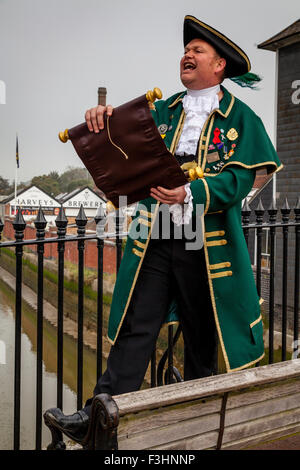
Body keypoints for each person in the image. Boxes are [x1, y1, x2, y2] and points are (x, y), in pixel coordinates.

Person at [44, 15, 282, 441]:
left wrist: (191, 192)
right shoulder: (163, 109)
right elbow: (124, 142)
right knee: (137, 326)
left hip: (206, 246)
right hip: (156, 236)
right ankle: (96, 423)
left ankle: (198, 425)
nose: (187, 54)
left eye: (198, 51)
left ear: (219, 65)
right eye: (186, 49)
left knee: (201, 337)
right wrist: (102, 115)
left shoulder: (240, 118)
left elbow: (241, 180)